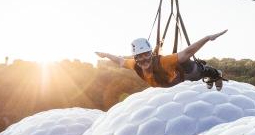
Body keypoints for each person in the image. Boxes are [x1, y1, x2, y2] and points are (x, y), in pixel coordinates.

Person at [96, 29, 228, 90]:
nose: (144, 60)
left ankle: (216, 74)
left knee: (194, 70)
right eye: (139, 57)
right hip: (171, 79)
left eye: (146, 54)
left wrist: (207, 38)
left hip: (185, 73)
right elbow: (120, 60)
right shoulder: (134, 65)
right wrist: (106, 54)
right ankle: (211, 74)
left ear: (151, 54)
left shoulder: (163, 62)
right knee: (187, 68)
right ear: (135, 58)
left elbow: (186, 52)